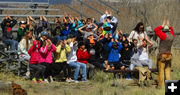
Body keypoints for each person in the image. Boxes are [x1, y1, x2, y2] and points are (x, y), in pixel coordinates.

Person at [154, 20, 175, 88]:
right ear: (168, 30)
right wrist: (169, 26)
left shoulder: (163, 35)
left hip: (162, 56)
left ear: (163, 30)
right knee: (168, 72)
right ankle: (169, 86)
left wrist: (161, 26)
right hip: (169, 56)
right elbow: (172, 30)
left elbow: (155, 30)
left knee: (161, 71)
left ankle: (161, 86)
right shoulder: (172, 35)